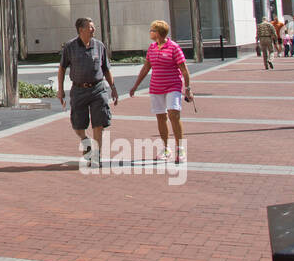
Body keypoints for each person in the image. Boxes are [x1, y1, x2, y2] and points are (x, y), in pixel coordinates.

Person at [55, 18, 119, 168]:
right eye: (90, 27)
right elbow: (62, 69)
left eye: (93, 26)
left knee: (99, 123)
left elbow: (106, 69)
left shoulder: (99, 45)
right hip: (78, 90)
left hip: (98, 88)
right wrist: (60, 90)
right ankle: (87, 142)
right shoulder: (70, 47)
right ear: (81, 29)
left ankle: (96, 156)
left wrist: (113, 88)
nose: (93, 29)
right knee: (78, 125)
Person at [128, 20, 192, 163]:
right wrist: (135, 86)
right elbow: (146, 68)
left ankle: (180, 148)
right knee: (161, 117)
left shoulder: (174, 47)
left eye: (152, 30)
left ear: (158, 32)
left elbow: (184, 70)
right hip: (156, 87)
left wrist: (187, 88)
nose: (150, 32)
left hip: (173, 86)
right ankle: (165, 148)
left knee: (173, 114)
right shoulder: (152, 48)